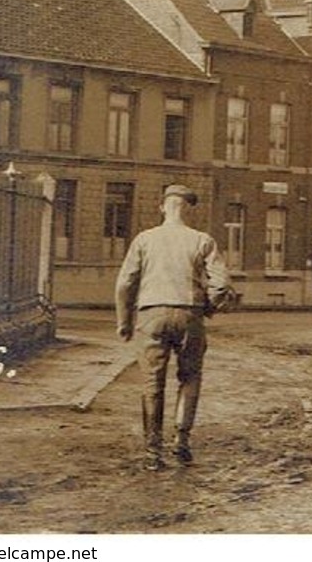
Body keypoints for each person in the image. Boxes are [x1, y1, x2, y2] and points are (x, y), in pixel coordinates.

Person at [114, 184, 234, 470]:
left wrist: (124, 322)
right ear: (188, 209)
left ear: (162, 207)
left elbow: (124, 283)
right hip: (189, 315)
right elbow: (222, 284)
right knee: (190, 377)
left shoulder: (145, 239)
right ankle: (181, 441)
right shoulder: (202, 240)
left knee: (152, 383)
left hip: (151, 315)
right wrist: (207, 308)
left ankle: (153, 452)